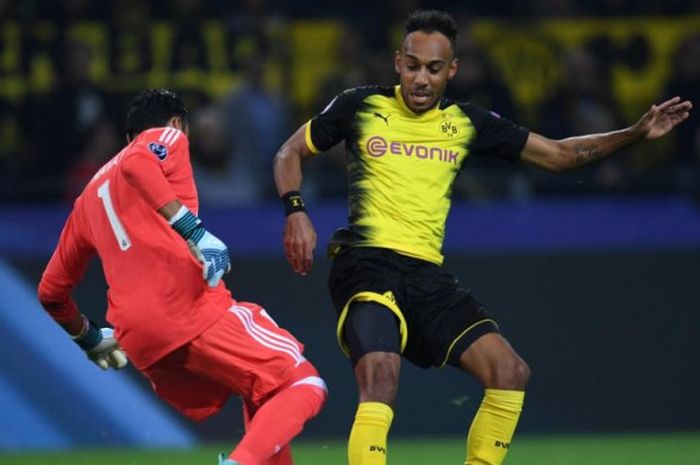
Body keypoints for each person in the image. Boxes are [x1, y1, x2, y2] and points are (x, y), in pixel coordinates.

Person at [272, 9, 691, 465]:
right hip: (366, 263)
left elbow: (557, 155)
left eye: (434, 69)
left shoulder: (467, 123)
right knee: (381, 375)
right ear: (397, 63)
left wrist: (634, 133)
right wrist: (295, 210)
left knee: (510, 372)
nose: (421, 79)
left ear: (452, 70)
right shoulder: (360, 105)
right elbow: (290, 151)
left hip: (426, 275)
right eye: (412, 65)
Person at [38, 89, 327, 465]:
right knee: (303, 383)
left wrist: (89, 337)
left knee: (263, 391)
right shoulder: (166, 136)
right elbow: (137, 164)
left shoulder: (87, 198)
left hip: (140, 341)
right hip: (188, 310)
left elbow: (51, 291)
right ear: (178, 124)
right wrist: (194, 231)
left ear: (126, 136)